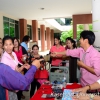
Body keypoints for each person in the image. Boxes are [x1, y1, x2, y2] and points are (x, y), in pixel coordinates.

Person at [0, 36, 29, 100]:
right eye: (6, 45)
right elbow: (8, 77)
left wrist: (23, 66)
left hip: (16, 82)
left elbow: (16, 68)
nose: (8, 47)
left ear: (13, 45)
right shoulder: (4, 60)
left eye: (10, 44)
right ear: (3, 46)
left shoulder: (13, 53)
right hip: (10, 86)